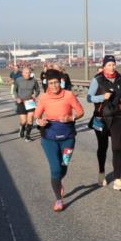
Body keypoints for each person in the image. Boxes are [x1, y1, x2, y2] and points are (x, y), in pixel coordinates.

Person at [34, 69, 84, 212]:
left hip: (67, 137)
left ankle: (58, 181)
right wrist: (40, 121)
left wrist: (71, 118)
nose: (54, 85)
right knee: (55, 169)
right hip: (49, 137)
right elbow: (36, 116)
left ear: (60, 82)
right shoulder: (43, 98)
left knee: (64, 166)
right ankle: (58, 199)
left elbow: (80, 112)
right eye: (51, 83)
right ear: (47, 84)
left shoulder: (69, 95)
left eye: (56, 82)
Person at [87, 55, 121, 189]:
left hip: (117, 116)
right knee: (103, 146)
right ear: (104, 66)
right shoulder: (97, 79)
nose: (112, 67)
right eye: (109, 65)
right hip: (101, 117)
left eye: (113, 64)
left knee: (117, 147)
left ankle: (117, 179)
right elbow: (89, 98)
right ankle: (101, 172)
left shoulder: (120, 78)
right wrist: (102, 97)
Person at [13, 65, 41, 140]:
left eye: (29, 73)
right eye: (26, 73)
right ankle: (22, 127)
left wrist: (36, 94)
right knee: (24, 121)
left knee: (30, 119)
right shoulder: (18, 80)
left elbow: (38, 90)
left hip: (30, 102)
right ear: (22, 73)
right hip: (21, 102)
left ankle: (27, 136)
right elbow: (14, 90)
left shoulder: (34, 80)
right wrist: (17, 98)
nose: (28, 74)